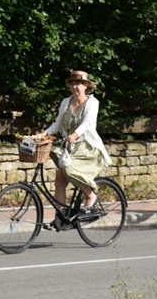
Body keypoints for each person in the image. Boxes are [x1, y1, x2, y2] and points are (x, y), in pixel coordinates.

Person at [35, 70, 111, 227]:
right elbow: (58, 123)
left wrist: (75, 135)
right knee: (59, 181)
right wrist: (43, 134)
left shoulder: (92, 103)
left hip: (87, 147)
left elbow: (88, 123)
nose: (75, 86)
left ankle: (90, 195)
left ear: (86, 86)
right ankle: (60, 218)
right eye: (73, 83)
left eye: (79, 84)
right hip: (70, 147)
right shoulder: (66, 102)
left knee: (68, 168)